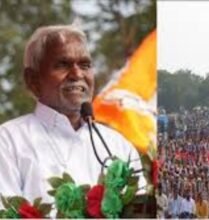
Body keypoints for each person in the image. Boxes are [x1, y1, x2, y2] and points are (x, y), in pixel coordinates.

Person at [0, 24, 145, 205]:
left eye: (85, 65)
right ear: (33, 79)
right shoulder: (7, 142)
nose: (77, 74)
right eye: (62, 65)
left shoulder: (118, 146)